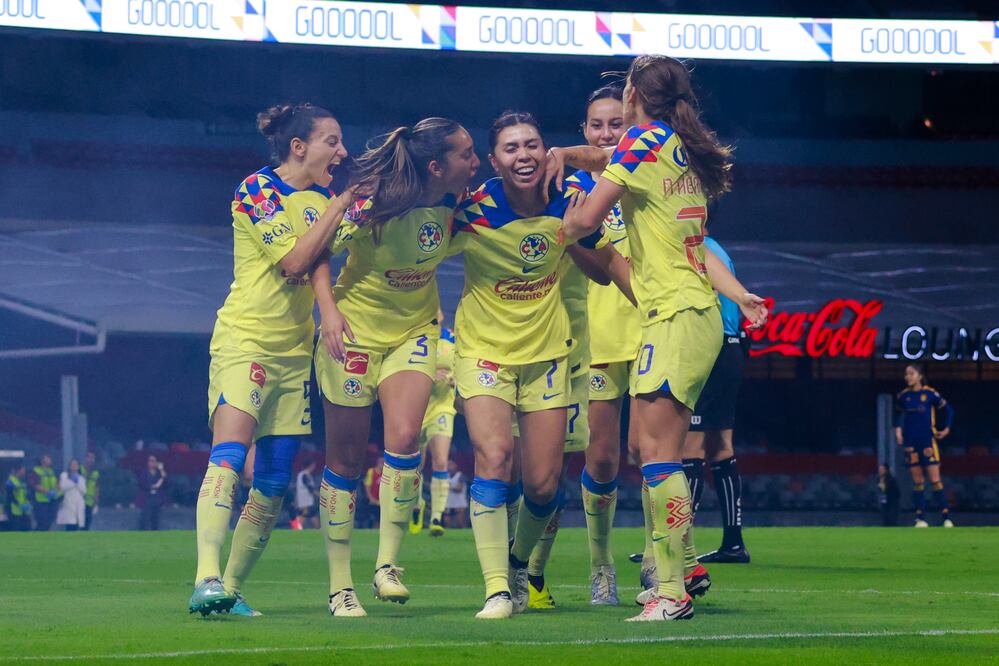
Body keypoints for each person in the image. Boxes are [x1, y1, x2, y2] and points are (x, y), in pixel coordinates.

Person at [559, 54, 767, 622]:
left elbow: (583, 223)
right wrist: (742, 294)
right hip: (693, 312)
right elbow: (695, 247)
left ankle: (672, 589)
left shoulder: (641, 143)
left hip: (673, 316)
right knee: (659, 453)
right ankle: (671, 580)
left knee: (657, 454)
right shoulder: (683, 150)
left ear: (632, 95)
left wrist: (564, 214)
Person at [449, 111, 620, 620]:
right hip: (482, 351)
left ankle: (519, 563)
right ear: (493, 161)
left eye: (531, 145)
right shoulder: (471, 209)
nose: (522, 155)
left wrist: (571, 231)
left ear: (545, 150)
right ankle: (497, 587)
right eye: (510, 148)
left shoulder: (568, 197)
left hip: (547, 354)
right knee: (495, 456)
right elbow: (419, 250)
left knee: (543, 486)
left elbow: (605, 272)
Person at [189, 103, 354, 617]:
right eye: (332, 141)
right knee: (231, 453)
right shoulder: (258, 190)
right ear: (298, 147)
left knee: (276, 479)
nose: (342, 151)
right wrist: (343, 202)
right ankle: (205, 577)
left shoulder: (324, 198)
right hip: (245, 340)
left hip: (292, 352)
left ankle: (230, 590)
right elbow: (294, 262)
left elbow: (322, 264)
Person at [311, 117, 478, 618]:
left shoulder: (460, 201)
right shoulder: (373, 200)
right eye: (466, 155)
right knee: (344, 460)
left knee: (405, 439)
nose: (476, 162)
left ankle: (387, 565)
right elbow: (319, 251)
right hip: (355, 332)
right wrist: (329, 312)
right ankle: (340, 585)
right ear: (435, 166)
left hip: (414, 332)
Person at [681, 231, 751, 564]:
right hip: (733, 348)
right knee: (721, 446)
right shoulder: (719, 250)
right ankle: (733, 542)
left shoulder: (700, 249)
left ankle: (676, 545)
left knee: (689, 448)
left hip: (711, 347)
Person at [411, 312, 457, 537]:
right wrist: (430, 373)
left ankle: (437, 517)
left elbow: (465, 368)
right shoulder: (415, 338)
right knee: (416, 464)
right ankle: (417, 506)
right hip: (417, 406)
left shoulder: (453, 339)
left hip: (443, 407)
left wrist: (452, 378)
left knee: (441, 461)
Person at [895, 363, 954, 528]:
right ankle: (920, 518)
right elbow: (897, 415)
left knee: (935, 479)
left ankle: (946, 517)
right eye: (906, 374)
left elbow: (948, 410)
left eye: (911, 374)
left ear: (920, 376)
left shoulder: (929, 394)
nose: (908, 377)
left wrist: (946, 429)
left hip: (928, 441)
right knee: (918, 481)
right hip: (910, 443)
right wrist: (898, 431)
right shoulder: (903, 396)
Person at [29, 453, 59, 531]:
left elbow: (56, 482)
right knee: (42, 522)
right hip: (40, 500)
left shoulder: (51, 471)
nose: (50, 460)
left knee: (49, 521)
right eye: (48, 458)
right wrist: (48, 492)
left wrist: (55, 490)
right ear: (43, 460)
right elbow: (35, 485)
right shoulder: (36, 471)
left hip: (51, 500)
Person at [57, 458, 87, 531]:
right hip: (68, 502)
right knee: (70, 524)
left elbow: (84, 491)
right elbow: (62, 487)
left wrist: (77, 482)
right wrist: (72, 482)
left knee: (77, 524)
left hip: (79, 503)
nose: (74, 466)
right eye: (72, 464)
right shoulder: (64, 475)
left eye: (76, 464)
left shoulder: (81, 478)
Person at [138, 455, 166, 531]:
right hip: (147, 496)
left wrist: (161, 469)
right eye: (150, 461)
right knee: (145, 515)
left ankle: (155, 530)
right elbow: (141, 483)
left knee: (156, 515)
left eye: (153, 461)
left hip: (157, 497)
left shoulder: (159, 473)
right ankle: (144, 530)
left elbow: (165, 481)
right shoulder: (144, 472)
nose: (151, 463)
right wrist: (152, 486)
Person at [5, 464, 32, 532]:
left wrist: (28, 503)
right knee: (16, 529)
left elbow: (25, 494)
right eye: (22, 470)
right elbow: (9, 496)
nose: (24, 472)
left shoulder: (22, 481)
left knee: (26, 528)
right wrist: (19, 504)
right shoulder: (10, 481)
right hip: (14, 510)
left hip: (24, 510)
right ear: (18, 471)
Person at [294, 460, 319, 529]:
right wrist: (319, 495)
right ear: (311, 465)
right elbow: (310, 488)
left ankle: (317, 532)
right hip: (305, 500)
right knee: (304, 515)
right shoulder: (305, 475)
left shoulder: (302, 474)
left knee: (312, 515)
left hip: (306, 500)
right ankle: (296, 529)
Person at [80, 451, 100, 531]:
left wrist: (96, 503)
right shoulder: (80, 470)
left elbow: (97, 487)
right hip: (79, 501)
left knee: (87, 524)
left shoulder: (96, 473)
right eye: (89, 457)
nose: (91, 460)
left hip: (89, 502)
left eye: (93, 458)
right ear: (85, 458)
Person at [445, 459, 468, 528]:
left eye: (451, 465)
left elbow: (459, 489)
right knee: (447, 522)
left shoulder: (460, 476)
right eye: (448, 465)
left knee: (460, 523)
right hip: (448, 502)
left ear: (455, 466)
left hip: (459, 502)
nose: (449, 467)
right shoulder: (446, 476)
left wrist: (447, 487)